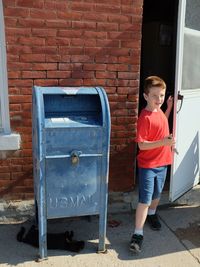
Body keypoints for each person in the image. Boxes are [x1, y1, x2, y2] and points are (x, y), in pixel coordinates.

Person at [130, 76, 175, 253]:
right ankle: (137, 233)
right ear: (145, 96)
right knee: (145, 199)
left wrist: (169, 107)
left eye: (162, 95)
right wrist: (164, 142)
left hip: (163, 162)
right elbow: (141, 145)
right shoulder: (144, 117)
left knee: (157, 194)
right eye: (155, 95)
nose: (159, 99)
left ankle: (152, 215)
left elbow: (163, 123)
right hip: (148, 165)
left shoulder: (160, 112)